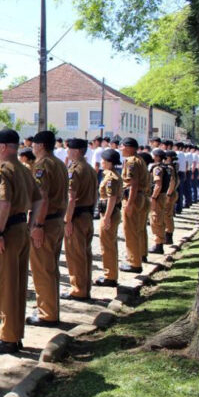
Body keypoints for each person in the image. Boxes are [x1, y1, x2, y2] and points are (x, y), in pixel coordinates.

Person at [0, 128, 42, 354]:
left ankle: (8, 337)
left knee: (6, 286)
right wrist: (31, 224)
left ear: (4, 147)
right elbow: (39, 200)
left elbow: (3, 204)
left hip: (6, 231)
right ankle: (15, 333)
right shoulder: (24, 169)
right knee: (17, 284)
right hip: (20, 229)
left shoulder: (2, 170)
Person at [26, 131, 68, 327]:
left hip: (46, 222)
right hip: (57, 220)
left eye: (34, 144)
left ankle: (47, 313)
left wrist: (38, 225)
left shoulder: (42, 166)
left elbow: (42, 197)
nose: (32, 147)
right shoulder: (59, 163)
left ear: (40, 145)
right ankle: (50, 308)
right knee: (50, 268)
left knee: (42, 269)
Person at [62, 138, 98, 300]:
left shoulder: (74, 170)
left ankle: (78, 290)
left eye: (69, 149)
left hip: (76, 216)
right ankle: (85, 287)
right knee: (85, 253)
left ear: (76, 151)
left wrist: (67, 220)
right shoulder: (89, 168)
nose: (67, 152)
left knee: (75, 255)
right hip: (87, 215)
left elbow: (71, 197)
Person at [119, 137, 149, 273]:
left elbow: (133, 184)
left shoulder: (131, 162)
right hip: (141, 196)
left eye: (122, 146)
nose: (121, 149)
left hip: (133, 198)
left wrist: (129, 204)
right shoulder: (139, 159)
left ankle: (134, 263)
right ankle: (140, 255)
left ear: (129, 147)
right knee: (138, 229)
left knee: (130, 231)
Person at [94, 149, 123, 287]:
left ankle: (110, 276)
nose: (102, 163)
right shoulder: (112, 175)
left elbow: (111, 198)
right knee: (110, 244)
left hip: (109, 213)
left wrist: (106, 217)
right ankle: (111, 274)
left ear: (109, 162)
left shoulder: (111, 178)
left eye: (104, 161)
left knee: (107, 246)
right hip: (110, 212)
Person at [147, 148, 170, 255]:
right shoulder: (165, 167)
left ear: (157, 156)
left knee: (156, 219)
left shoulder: (158, 169)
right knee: (159, 218)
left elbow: (158, 185)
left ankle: (158, 244)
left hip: (158, 196)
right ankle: (160, 242)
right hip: (162, 195)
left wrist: (153, 197)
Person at [163, 151, 179, 244]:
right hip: (173, 192)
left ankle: (168, 236)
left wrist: (168, 194)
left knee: (167, 215)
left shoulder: (169, 168)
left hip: (169, 193)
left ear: (169, 158)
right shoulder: (174, 166)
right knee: (168, 215)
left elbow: (172, 182)